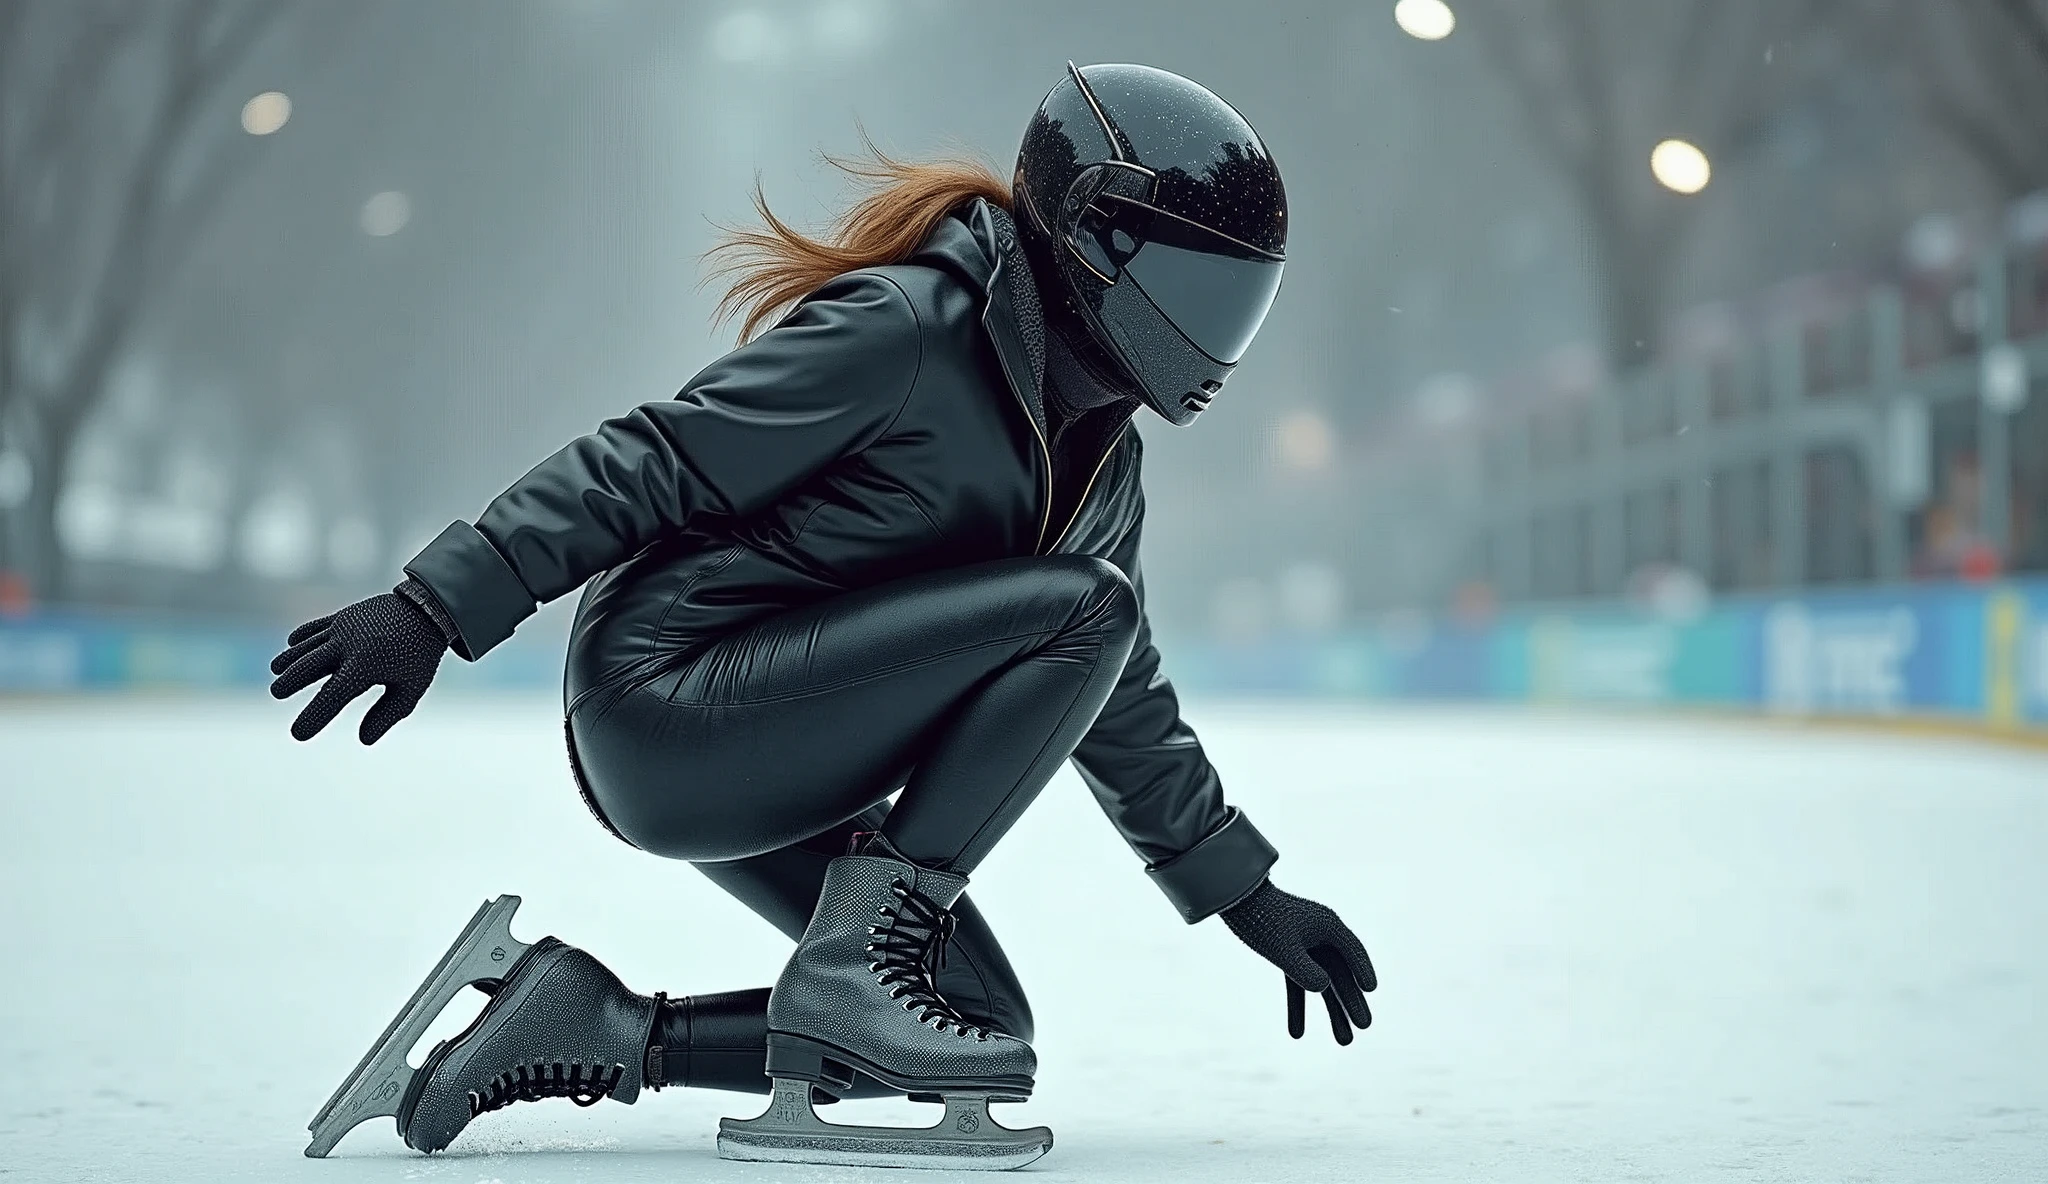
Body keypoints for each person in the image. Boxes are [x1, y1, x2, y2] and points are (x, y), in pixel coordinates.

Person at [284, 62, 1375, 1170]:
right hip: (671, 694)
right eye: (1201, 285)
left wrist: (1247, 892)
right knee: (1080, 609)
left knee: (970, 1022)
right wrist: (434, 604)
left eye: (1243, 296)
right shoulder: (909, 329)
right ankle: (854, 964)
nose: (1217, 337)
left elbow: (1116, 691)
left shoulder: (1107, 465)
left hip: (793, 746)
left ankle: (595, 1025)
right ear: (1098, 239)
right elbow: (655, 458)